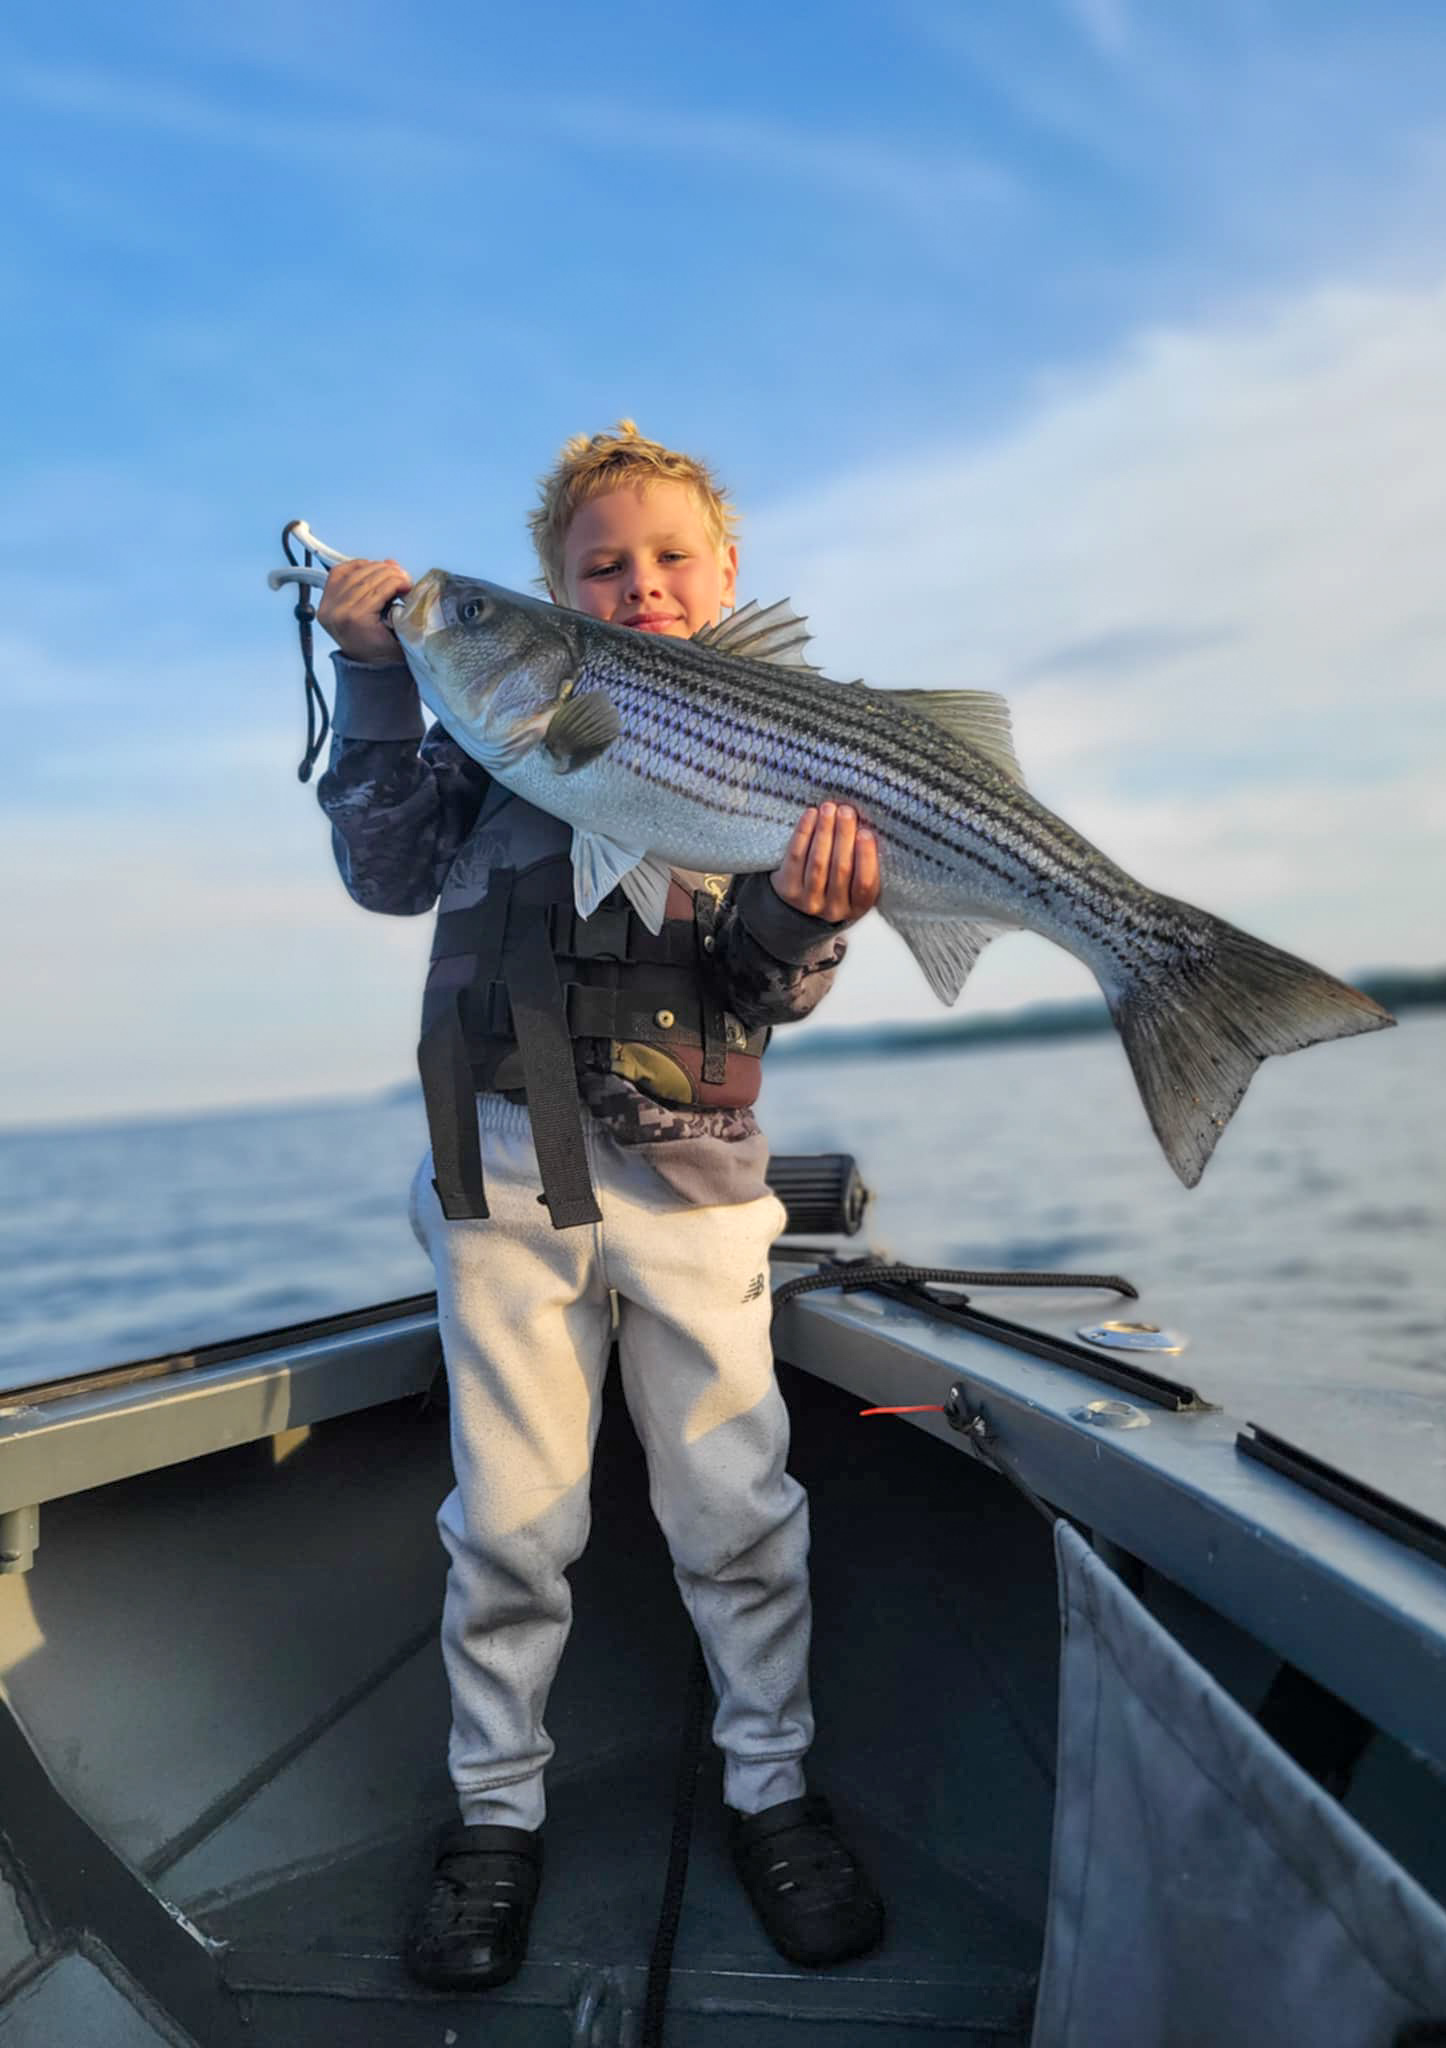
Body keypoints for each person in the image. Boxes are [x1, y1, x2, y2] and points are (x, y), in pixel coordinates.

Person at [314, 421, 886, 1992]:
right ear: (563, 598)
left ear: (726, 576)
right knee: (507, 1523)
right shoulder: (486, 730)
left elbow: (765, 987)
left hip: (695, 1182)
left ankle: (772, 1789)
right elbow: (382, 871)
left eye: (666, 560)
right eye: (596, 570)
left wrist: (803, 907)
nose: (637, 586)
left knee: (737, 1513)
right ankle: (495, 1819)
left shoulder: (788, 744)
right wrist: (379, 670)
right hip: (499, 1169)